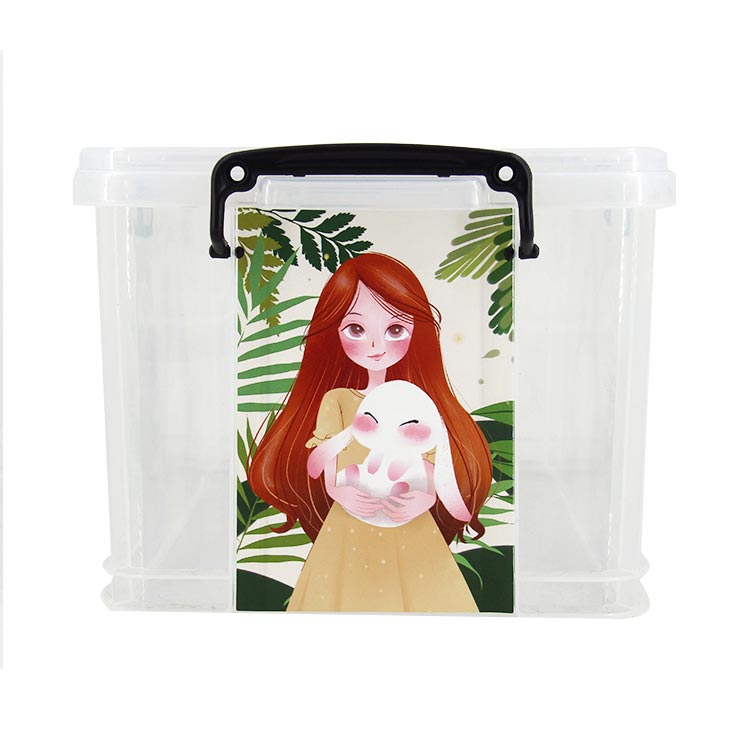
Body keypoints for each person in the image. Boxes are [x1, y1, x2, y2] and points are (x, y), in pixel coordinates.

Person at [249, 253, 491, 612]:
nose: (376, 346)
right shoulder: (338, 399)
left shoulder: (416, 398)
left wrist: (424, 498)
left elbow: (431, 457)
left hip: (408, 516)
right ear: (334, 332)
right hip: (350, 518)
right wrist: (339, 492)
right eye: (356, 329)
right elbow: (326, 459)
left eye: (395, 330)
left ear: (415, 331)